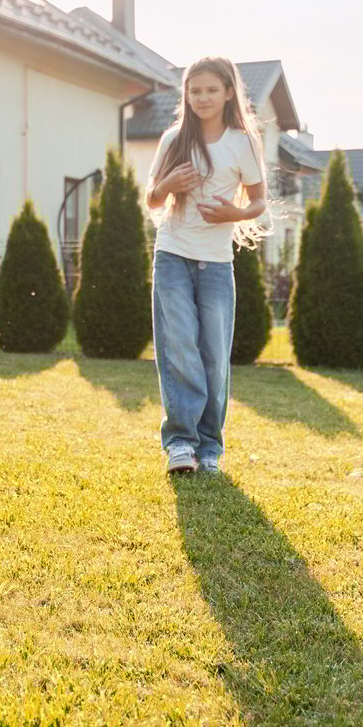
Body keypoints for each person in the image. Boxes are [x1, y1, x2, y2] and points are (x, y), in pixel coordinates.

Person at [144, 56, 269, 474]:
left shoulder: (242, 142)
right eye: (195, 90)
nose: (202, 98)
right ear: (186, 94)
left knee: (214, 355)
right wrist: (167, 185)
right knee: (178, 347)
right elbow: (152, 200)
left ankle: (209, 447)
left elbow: (258, 201)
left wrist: (233, 216)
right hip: (173, 253)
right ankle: (181, 443)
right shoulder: (173, 139)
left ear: (229, 92)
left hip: (215, 262)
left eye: (211, 90)